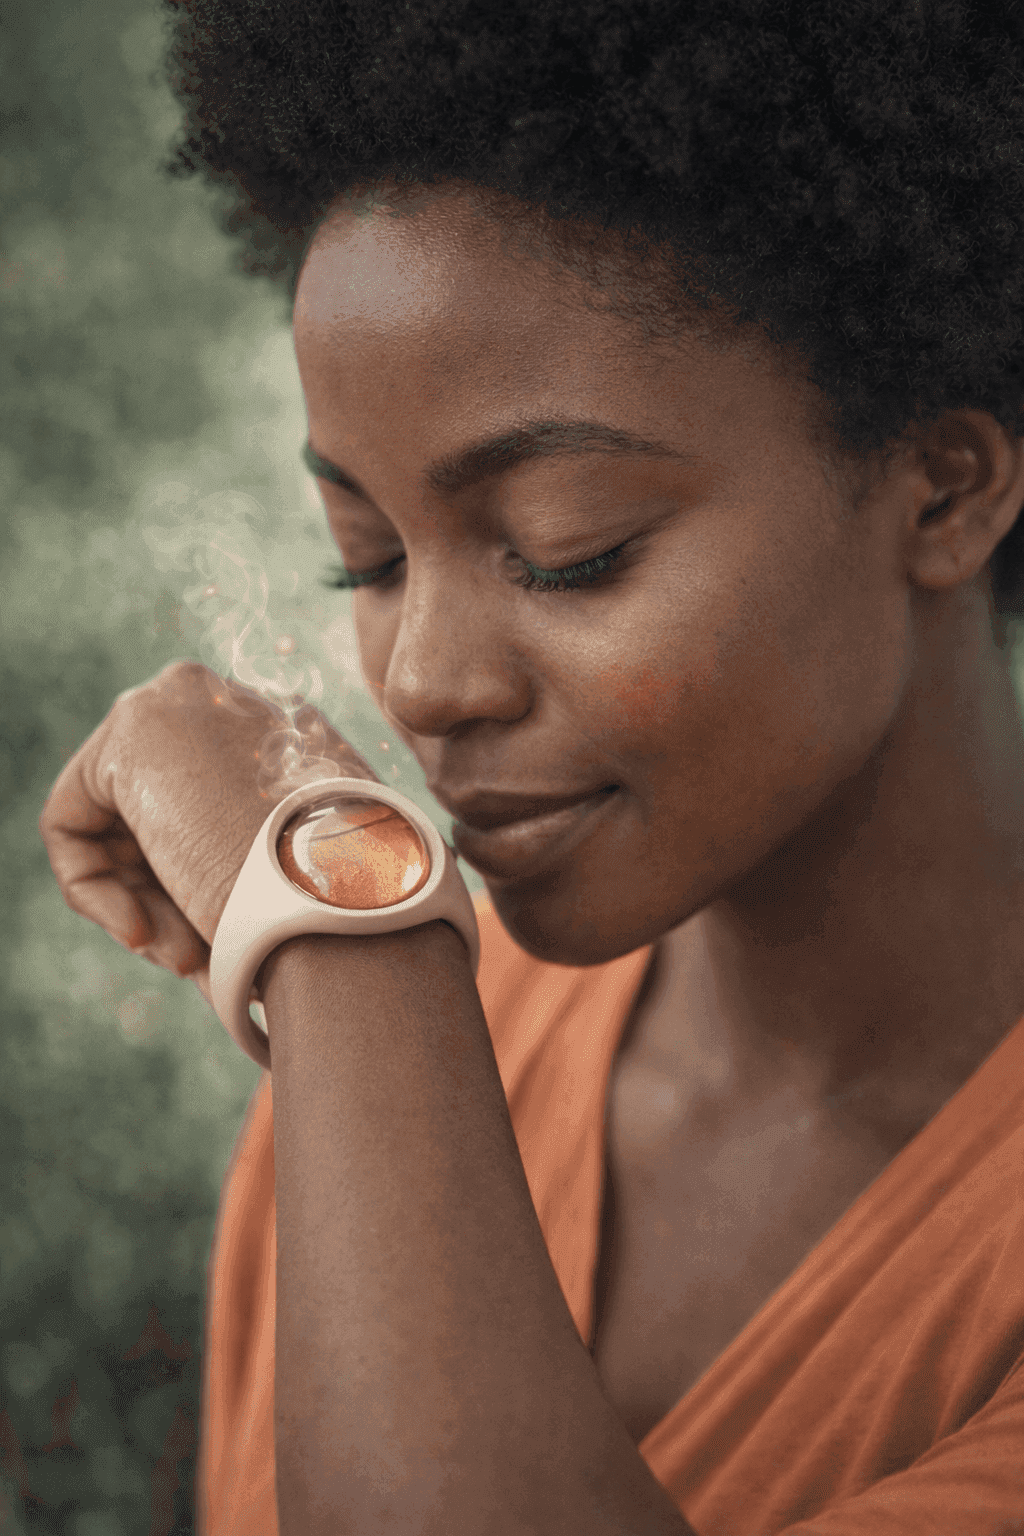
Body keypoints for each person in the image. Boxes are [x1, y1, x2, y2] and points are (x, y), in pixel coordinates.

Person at [39, 0, 1024, 1530]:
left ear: (942, 489)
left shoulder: (365, 986)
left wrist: (337, 918)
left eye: (572, 554)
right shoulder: (417, 1043)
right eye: (364, 557)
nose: (420, 685)